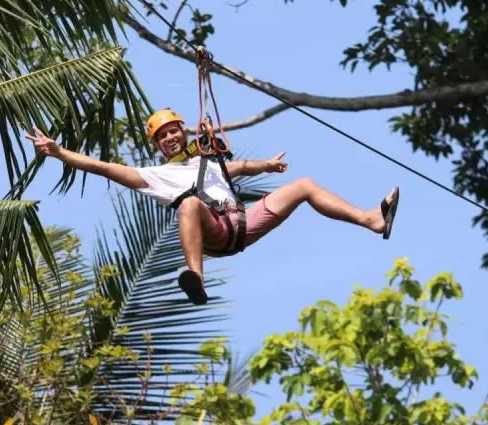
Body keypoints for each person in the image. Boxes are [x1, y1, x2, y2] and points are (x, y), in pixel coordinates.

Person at [24, 108, 399, 305]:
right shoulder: (155, 176)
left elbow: (237, 167)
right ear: (157, 145)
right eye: (163, 136)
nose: (170, 138)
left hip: (244, 224)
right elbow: (104, 167)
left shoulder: (206, 162)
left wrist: (267, 165)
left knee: (302, 186)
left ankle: (371, 220)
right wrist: (59, 153)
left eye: (174, 132)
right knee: (188, 204)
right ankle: (196, 278)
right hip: (216, 234)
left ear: (182, 134)